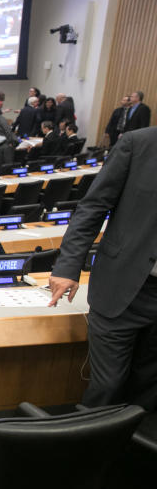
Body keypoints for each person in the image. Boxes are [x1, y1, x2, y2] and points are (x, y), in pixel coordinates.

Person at [48, 127, 157, 410]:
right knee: (108, 386)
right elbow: (93, 207)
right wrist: (68, 266)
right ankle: (92, 449)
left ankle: (134, 451)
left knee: (149, 387)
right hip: (122, 286)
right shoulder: (139, 144)